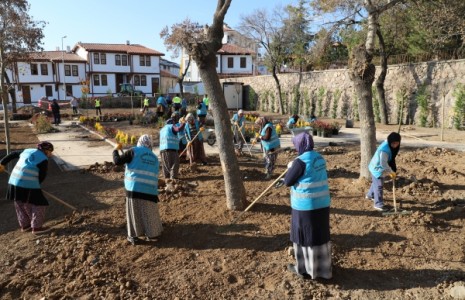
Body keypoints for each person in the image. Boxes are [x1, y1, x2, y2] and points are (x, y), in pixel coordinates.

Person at [284, 132, 332, 280]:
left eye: (295, 144)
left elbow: (288, 181)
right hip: (323, 204)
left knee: (305, 237)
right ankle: (323, 270)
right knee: (320, 236)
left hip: (305, 207)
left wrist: (291, 166)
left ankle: (305, 270)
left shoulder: (300, 162)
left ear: (300, 145)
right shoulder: (320, 158)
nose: (295, 147)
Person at [112, 135, 163, 245]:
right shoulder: (154, 157)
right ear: (150, 145)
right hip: (150, 191)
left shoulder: (133, 151)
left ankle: (134, 236)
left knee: (134, 213)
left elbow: (117, 161)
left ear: (139, 142)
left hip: (134, 189)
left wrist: (115, 150)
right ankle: (152, 234)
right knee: (149, 213)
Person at [0, 141, 55, 234]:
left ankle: (25, 226)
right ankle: (37, 228)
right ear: (46, 151)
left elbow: (13, 154)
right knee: (40, 204)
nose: (51, 154)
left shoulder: (27, 151)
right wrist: (37, 186)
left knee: (19, 202)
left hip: (13, 181)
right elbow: (41, 176)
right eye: (50, 152)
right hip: (27, 183)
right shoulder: (43, 159)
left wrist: (2, 163)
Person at [366, 132, 401, 211]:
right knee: (379, 186)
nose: (395, 145)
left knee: (375, 182)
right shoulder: (384, 150)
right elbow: (383, 164)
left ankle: (370, 195)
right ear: (390, 142)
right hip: (377, 168)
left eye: (396, 143)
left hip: (376, 166)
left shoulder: (387, 143)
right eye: (393, 143)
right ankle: (378, 204)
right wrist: (391, 172)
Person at [160, 113, 186, 179]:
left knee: (166, 166)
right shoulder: (171, 126)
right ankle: (173, 180)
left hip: (163, 150)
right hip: (172, 150)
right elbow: (178, 129)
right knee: (175, 164)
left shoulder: (162, 129)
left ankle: (166, 179)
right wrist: (183, 124)